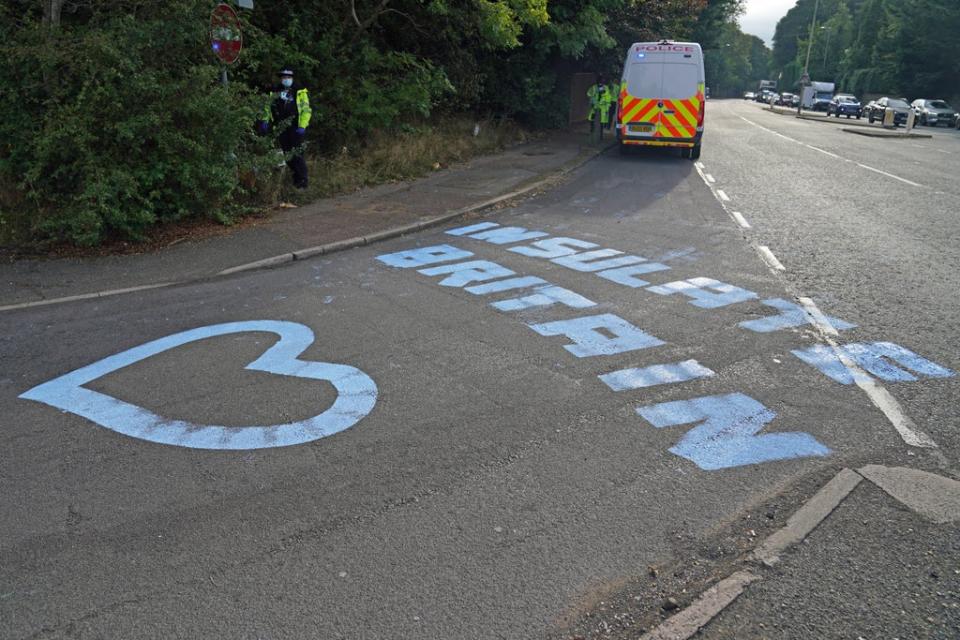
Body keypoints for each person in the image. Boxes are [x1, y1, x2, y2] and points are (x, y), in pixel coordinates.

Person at [259, 68, 312, 189]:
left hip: (296, 127)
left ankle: (303, 182)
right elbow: (267, 107)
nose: (286, 79)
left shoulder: (299, 91)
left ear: (292, 78)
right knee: (287, 155)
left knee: (297, 154)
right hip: (281, 127)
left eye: (288, 77)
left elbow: (306, 110)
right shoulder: (275, 91)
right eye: (283, 77)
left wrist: (302, 126)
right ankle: (296, 181)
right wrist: (265, 120)